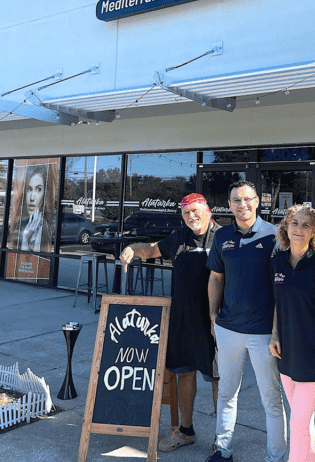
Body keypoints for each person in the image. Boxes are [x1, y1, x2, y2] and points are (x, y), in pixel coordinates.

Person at [119, 193, 220, 452]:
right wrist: (132, 249)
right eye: (186, 213)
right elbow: (152, 250)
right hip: (184, 320)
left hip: (215, 321)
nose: (191, 217)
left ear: (208, 211)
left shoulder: (222, 237)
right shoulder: (180, 237)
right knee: (184, 374)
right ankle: (186, 431)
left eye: (196, 211)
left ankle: (223, 438)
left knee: (220, 379)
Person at [206, 180, 286, 462]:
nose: (243, 205)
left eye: (247, 199)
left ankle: (275, 457)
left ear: (258, 201)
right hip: (228, 329)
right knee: (226, 393)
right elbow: (216, 277)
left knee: (271, 401)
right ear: (229, 205)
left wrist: (277, 330)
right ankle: (223, 450)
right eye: (236, 201)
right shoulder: (222, 237)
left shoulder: (276, 236)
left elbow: (284, 283)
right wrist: (213, 316)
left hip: (263, 333)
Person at [268, 205, 315, 462]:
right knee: (303, 420)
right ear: (286, 227)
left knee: (297, 423)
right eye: (295, 223)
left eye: (306, 225)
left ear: (314, 231)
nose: (299, 229)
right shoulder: (277, 262)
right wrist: (274, 333)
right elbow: (276, 301)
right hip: (286, 352)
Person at [9, 163, 53, 252]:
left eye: (38, 189)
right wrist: (25, 238)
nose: (32, 198)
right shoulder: (19, 224)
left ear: (45, 193)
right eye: (29, 189)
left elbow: (37, 259)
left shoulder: (46, 228)